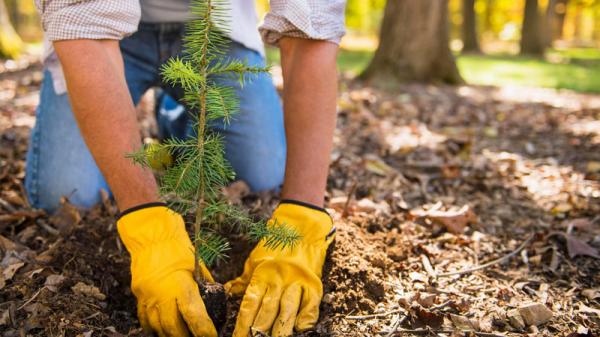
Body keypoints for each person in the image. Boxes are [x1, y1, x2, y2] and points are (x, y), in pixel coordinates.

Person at [27, 1, 345, 336]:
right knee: (64, 193)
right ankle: (168, 122)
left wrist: (302, 213)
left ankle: (179, 119)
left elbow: (313, 26)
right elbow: (84, 25)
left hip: (215, 25)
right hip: (103, 33)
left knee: (262, 173)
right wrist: (146, 222)